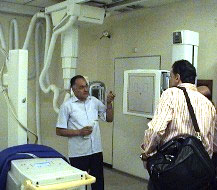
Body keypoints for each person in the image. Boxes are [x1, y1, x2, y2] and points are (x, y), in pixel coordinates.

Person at [141, 60, 216, 190]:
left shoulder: (171, 94)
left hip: (172, 169)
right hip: (198, 173)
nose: (170, 80)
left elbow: (156, 130)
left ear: (177, 77)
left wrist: (146, 154)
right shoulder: (208, 104)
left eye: (171, 76)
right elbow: (214, 144)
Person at [56, 75, 115, 190]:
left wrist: (109, 104)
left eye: (86, 86)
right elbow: (59, 131)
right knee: (79, 185)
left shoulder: (94, 102)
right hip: (79, 153)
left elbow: (109, 118)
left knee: (98, 183)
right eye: (82, 87)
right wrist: (79, 132)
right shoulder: (67, 106)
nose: (86, 89)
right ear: (73, 89)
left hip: (96, 150)